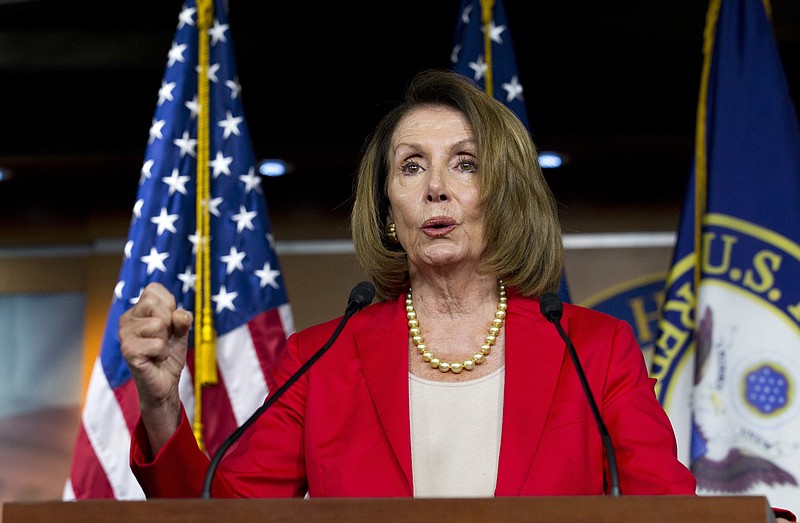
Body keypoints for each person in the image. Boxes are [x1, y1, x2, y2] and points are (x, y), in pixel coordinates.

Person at [123, 69, 697, 499]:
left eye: (465, 163)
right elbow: (222, 518)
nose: (436, 188)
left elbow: (671, 512)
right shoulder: (322, 359)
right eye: (412, 166)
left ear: (506, 197)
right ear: (388, 210)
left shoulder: (595, 349)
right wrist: (160, 403)